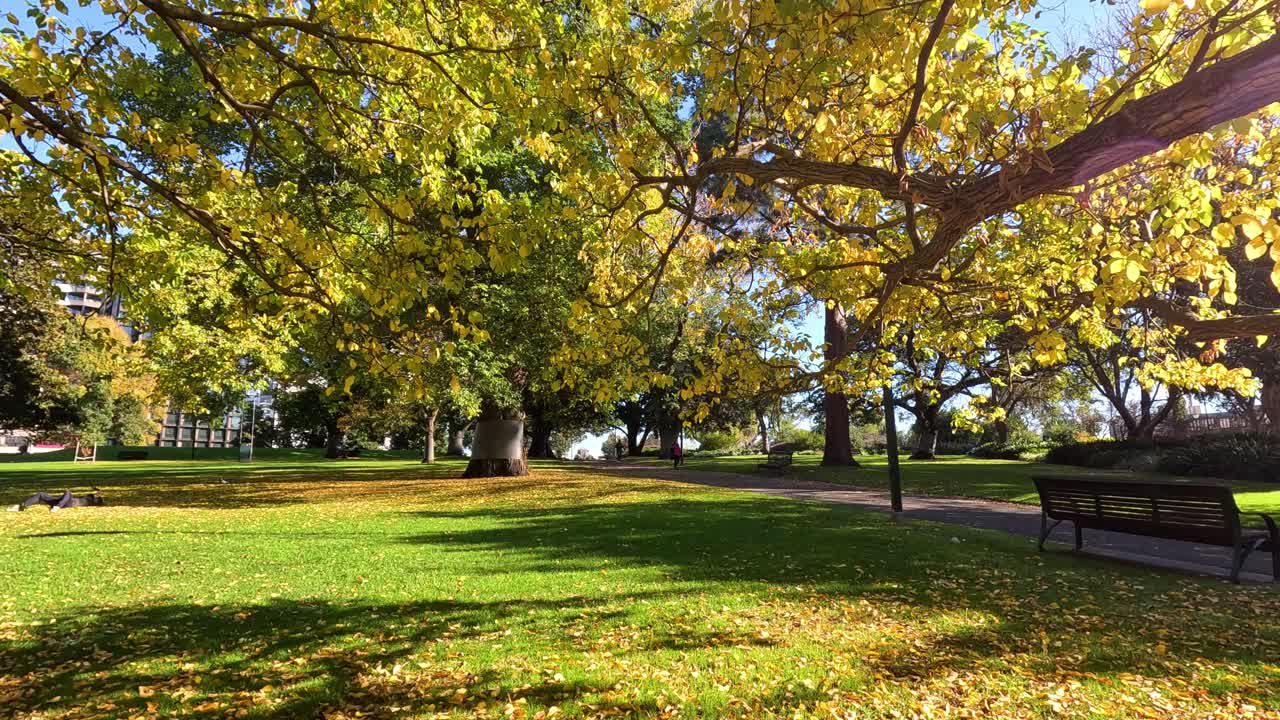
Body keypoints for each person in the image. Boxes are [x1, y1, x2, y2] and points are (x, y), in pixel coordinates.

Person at [7, 489, 104, 512]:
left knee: (68, 491)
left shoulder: (90, 502)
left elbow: (96, 496)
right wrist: (98, 491)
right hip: (59, 500)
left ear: (96, 502)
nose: (95, 498)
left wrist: (98, 495)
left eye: (96, 499)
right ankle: (21, 506)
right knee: (41, 494)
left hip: (69, 503)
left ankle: (58, 507)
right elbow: (96, 493)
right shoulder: (89, 497)